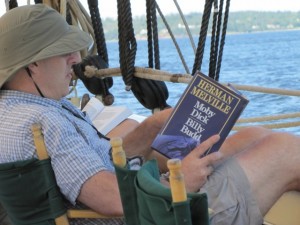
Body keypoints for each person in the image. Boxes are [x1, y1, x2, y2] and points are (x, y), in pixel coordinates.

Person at [0, 4, 299, 225]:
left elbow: (93, 170)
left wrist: (150, 128)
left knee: (254, 136)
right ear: (32, 64)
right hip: (160, 214)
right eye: (64, 51)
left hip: (134, 202)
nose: (76, 59)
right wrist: (182, 181)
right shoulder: (44, 122)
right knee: (286, 151)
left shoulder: (20, 111)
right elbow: (113, 199)